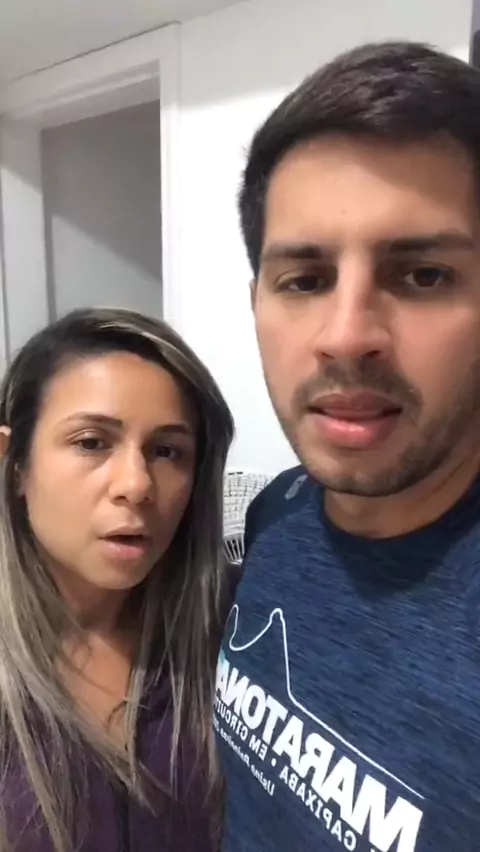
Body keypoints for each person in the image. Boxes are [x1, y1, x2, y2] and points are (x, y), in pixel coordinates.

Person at [215, 41, 480, 852]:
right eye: (304, 279)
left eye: (423, 275)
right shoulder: (278, 510)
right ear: (257, 303)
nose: (346, 335)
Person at [0, 306, 234, 852]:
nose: (136, 484)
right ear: (14, 465)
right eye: (91, 442)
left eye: (167, 451)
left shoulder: (238, 628)